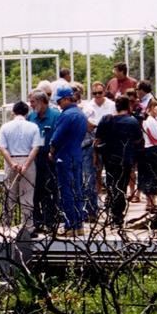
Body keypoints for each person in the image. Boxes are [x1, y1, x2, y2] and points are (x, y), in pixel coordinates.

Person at [95, 94, 145, 226]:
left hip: (109, 158)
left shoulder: (106, 119)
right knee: (121, 187)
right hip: (125, 158)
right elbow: (138, 139)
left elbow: (97, 139)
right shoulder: (132, 121)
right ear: (128, 106)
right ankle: (117, 216)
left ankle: (110, 208)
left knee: (111, 183)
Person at [0, 100, 42, 235]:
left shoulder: (5, 127)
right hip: (28, 160)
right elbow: (36, 148)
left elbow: (2, 147)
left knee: (9, 195)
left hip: (11, 160)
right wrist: (26, 164)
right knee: (27, 196)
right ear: (27, 113)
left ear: (13, 112)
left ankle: (6, 227)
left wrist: (12, 164)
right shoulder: (33, 127)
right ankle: (28, 228)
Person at [48, 86, 88, 234]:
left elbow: (56, 138)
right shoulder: (81, 114)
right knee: (77, 189)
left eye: (59, 101)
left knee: (66, 191)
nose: (58, 104)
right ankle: (79, 225)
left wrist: (51, 151)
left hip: (64, 156)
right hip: (77, 155)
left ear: (65, 99)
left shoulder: (66, 115)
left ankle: (69, 225)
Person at [81, 82, 116, 219]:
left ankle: (112, 207)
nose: (97, 96)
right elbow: (87, 124)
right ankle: (92, 210)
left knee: (111, 174)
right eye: (94, 93)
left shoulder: (111, 105)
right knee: (91, 176)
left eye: (100, 93)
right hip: (92, 143)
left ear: (104, 92)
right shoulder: (88, 106)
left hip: (108, 143)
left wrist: (98, 126)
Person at [29, 91, 61, 231]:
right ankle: (37, 221)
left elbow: (59, 136)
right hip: (34, 160)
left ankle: (50, 221)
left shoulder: (55, 116)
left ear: (42, 101)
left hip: (50, 159)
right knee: (35, 192)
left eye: (33, 102)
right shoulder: (31, 117)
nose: (31, 105)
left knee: (50, 190)